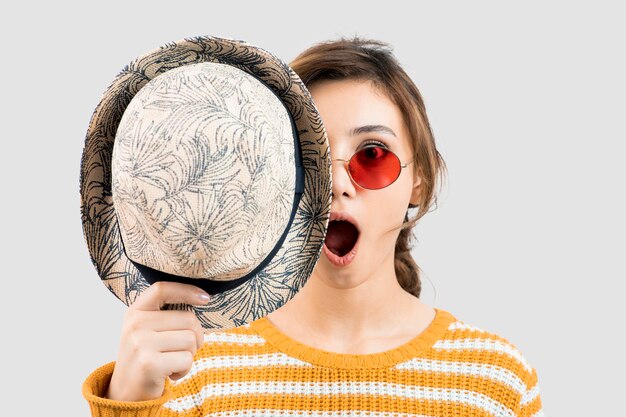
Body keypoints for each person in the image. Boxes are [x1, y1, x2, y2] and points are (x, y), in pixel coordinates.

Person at [83, 36, 545, 416]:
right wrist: (128, 405)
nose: (338, 184)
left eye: (372, 155)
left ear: (417, 184)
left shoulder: (495, 382)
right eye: (313, 163)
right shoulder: (189, 371)